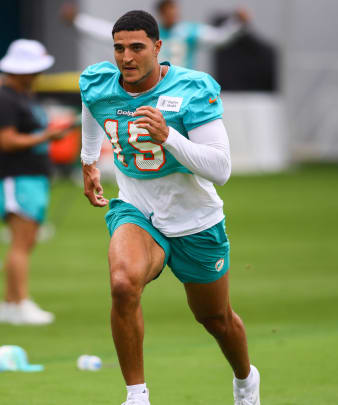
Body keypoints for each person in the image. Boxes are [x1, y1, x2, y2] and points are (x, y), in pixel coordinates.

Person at [79, 10, 259, 405]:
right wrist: (88, 159)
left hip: (195, 220)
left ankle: (246, 381)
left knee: (215, 319)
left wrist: (169, 137)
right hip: (136, 209)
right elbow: (91, 106)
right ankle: (136, 396)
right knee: (123, 284)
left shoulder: (192, 89)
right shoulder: (99, 81)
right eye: (119, 48)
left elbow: (221, 169)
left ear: (158, 48)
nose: (127, 57)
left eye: (137, 48)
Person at [0, 40, 70, 325]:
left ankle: (10, 303)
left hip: (31, 177)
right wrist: (46, 137)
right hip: (15, 177)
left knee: (27, 240)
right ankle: (18, 302)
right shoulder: (5, 99)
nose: (37, 75)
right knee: (20, 243)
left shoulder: (24, 96)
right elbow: (6, 141)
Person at [60, 0, 249, 69]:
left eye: (175, 9)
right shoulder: (149, 31)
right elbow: (106, 31)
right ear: (161, 12)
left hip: (181, 84)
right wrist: (78, 20)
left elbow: (219, 38)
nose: (173, 14)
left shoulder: (189, 32)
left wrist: (236, 23)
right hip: (153, 84)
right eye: (169, 10)